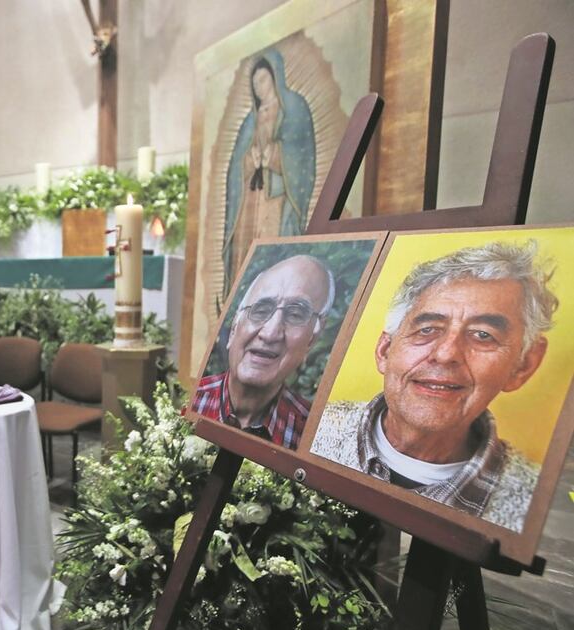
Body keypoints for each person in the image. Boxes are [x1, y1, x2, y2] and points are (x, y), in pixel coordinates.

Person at [311, 242, 555, 532]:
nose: (446, 353)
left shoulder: (535, 504)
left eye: (482, 335)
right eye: (427, 329)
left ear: (523, 366)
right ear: (385, 351)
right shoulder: (310, 428)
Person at [192, 254, 334, 449]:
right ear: (234, 328)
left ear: (311, 340)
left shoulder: (314, 438)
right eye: (261, 309)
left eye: (295, 314)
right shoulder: (191, 403)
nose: (270, 333)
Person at [221, 50, 316, 300]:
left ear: (276, 78)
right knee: (245, 250)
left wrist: (274, 155)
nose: (259, 88)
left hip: (276, 197)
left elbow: (301, 153)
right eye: (254, 84)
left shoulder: (294, 108)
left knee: (271, 251)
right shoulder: (249, 121)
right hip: (250, 201)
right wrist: (248, 162)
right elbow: (235, 166)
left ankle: (270, 298)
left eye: (262, 80)